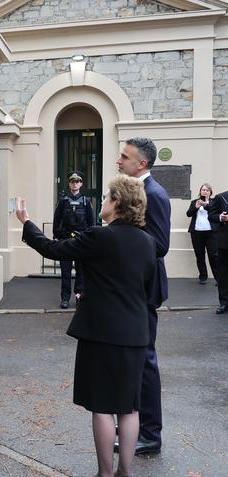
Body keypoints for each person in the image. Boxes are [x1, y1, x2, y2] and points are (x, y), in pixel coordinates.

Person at [16, 174, 156, 477]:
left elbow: (53, 249)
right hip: (136, 332)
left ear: (117, 202)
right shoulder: (149, 243)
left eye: (107, 198)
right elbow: (151, 291)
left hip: (102, 332)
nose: (102, 202)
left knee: (104, 407)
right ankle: (125, 475)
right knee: (129, 406)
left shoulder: (99, 236)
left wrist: (27, 223)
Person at [115, 137, 170, 456]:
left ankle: (150, 433)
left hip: (144, 290)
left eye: (125, 157)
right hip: (130, 288)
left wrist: (124, 238)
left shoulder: (155, 194)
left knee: (145, 361)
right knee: (133, 360)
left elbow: (160, 244)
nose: (119, 161)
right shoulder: (136, 192)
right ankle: (133, 423)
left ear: (142, 164)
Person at [53, 171, 95, 309]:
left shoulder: (86, 201)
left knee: (81, 271)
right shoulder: (63, 201)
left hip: (81, 240)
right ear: (69, 183)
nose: (75, 183)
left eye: (77, 181)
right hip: (66, 240)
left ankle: (79, 296)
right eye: (72, 181)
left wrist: (89, 238)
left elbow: (91, 222)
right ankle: (65, 298)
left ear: (81, 183)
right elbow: (57, 219)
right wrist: (58, 235)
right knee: (65, 271)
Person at [186, 183, 218, 285]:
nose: (205, 191)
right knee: (200, 256)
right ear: (200, 191)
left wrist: (206, 205)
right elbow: (188, 214)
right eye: (203, 190)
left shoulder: (214, 202)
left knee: (213, 256)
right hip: (197, 233)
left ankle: (218, 278)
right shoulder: (195, 202)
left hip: (211, 233)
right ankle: (203, 276)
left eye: (207, 190)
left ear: (210, 192)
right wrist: (196, 207)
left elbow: (214, 211)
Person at [208, 191, 228, 314]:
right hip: (225, 243)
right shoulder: (222, 197)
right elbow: (211, 215)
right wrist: (221, 217)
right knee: (224, 274)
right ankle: (224, 303)